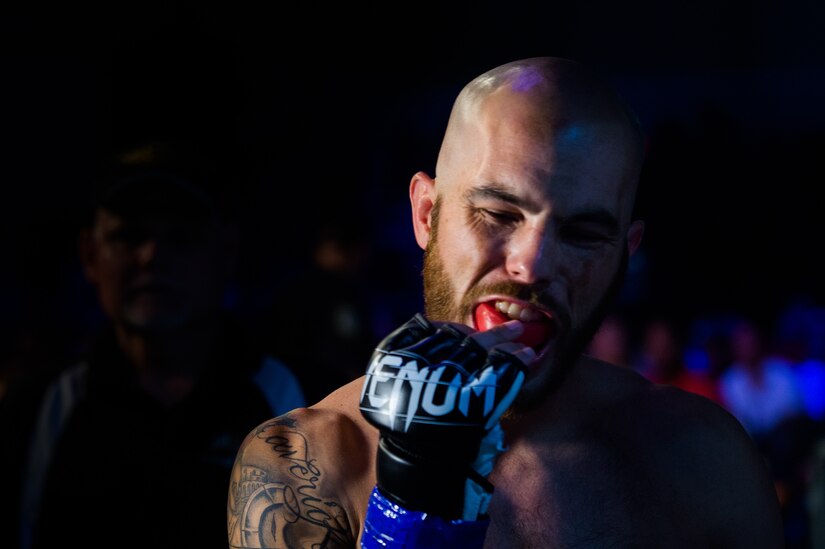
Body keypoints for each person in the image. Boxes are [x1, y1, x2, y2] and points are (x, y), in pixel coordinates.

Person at [227, 57, 784, 548]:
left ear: (624, 253)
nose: (533, 265)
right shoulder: (307, 465)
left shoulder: (705, 460)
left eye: (584, 234)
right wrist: (412, 517)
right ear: (427, 214)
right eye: (497, 214)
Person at [0, 138, 307, 549]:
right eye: (127, 237)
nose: (151, 256)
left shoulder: (304, 402)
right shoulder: (34, 413)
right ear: (90, 256)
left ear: (227, 252)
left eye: (181, 238)